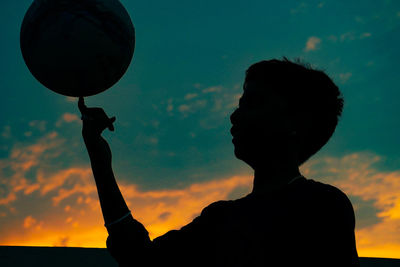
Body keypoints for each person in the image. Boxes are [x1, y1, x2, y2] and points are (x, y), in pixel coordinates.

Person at [79, 58, 360, 266]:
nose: (235, 116)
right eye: (240, 103)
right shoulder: (219, 219)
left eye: (253, 102)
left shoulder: (323, 207)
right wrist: (99, 160)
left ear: (295, 122)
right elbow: (141, 259)